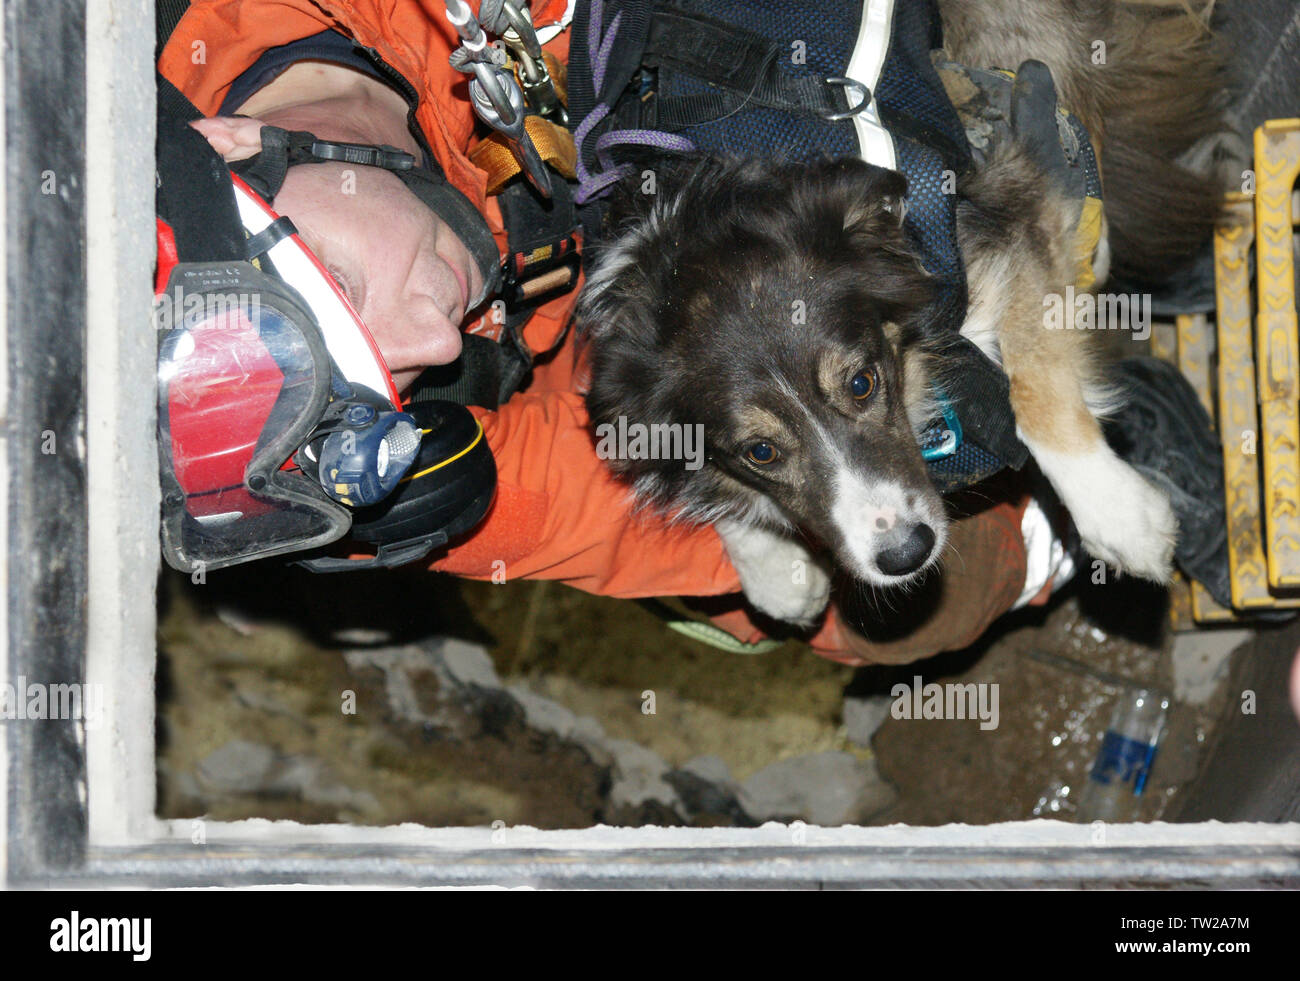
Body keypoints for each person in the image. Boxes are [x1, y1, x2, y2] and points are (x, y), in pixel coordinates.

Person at [157, 0, 1073, 667]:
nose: (431, 340)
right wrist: (762, 519)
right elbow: (571, 503)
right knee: (859, 604)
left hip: (704, 175)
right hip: (606, 329)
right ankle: (1044, 544)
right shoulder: (387, 413)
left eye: (344, 285)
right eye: (377, 385)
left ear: (234, 145)